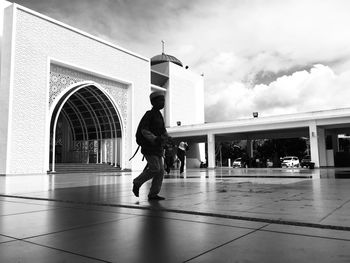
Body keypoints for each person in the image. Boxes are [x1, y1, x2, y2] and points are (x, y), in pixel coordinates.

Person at [132, 91, 169, 201]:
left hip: (157, 148)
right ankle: (137, 182)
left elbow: (163, 131)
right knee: (155, 169)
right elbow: (144, 130)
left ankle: (153, 194)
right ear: (153, 102)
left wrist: (167, 138)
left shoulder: (159, 116)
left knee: (161, 171)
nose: (163, 103)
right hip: (149, 147)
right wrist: (155, 138)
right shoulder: (149, 114)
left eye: (164, 100)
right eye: (160, 100)